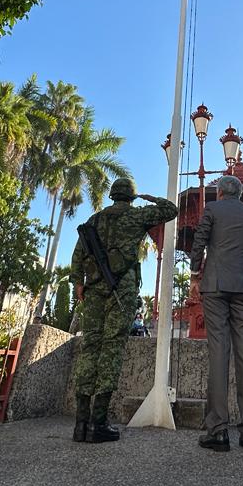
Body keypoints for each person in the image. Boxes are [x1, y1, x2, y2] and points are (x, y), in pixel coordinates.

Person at [69, 177, 177, 444]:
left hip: (94, 288)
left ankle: (80, 424)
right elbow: (170, 210)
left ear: (112, 195)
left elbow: (78, 252)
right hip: (122, 288)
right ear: (130, 195)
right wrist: (148, 198)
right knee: (112, 348)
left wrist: (78, 282)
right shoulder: (136, 215)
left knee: (90, 346)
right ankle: (98, 422)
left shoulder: (94, 220)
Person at [190, 175, 243, 452]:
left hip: (216, 285)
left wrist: (194, 274)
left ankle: (218, 430)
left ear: (219, 192)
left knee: (219, 352)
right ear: (240, 194)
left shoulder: (212, 209)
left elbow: (200, 241)